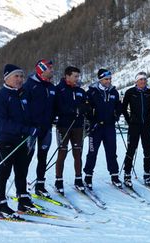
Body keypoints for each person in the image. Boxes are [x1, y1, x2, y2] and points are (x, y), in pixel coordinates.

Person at [0, 64, 40, 218]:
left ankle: (23, 201)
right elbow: (1, 123)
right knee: (4, 173)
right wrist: (26, 129)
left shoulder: (23, 95)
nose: (20, 79)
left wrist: (34, 126)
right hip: (6, 140)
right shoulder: (0, 97)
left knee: (22, 172)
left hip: (23, 141)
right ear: (7, 78)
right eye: (16, 76)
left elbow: (28, 116)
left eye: (21, 76)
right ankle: (1, 205)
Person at [83, 69, 122, 189]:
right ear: (100, 79)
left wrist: (116, 115)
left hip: (109, 127)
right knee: (92, 152)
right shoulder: (92, 92)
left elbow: (118, 106)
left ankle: (114, 175)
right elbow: (86, 108)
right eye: (106, 79)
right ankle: (88, 176)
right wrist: (92, 119)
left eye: (110, 79)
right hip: (96, 127)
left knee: (111, 152)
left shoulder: (114, 92)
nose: (108, 81)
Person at [23, 59, 55, 197]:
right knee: (26, 158)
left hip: (46, 128)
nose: (52, 70)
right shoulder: (29, 85)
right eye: (50, 68)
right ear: (41, 70)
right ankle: (21, 186)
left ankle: (40, 185)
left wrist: (56, 116)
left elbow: (55, 106)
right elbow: (23, 107)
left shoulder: (51, 87)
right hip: (31, 129)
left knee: (43, 157)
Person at [54, 66, 88, 195]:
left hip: (78, 126)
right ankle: (59, 181)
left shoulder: (80, 91)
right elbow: (57, 107)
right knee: (62, 153)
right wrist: (73, 110)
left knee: (77, 153)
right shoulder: (59, 89)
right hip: (64, 126)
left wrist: (83, 109)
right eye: (75, 76)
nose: (77, 79)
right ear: (67, 76)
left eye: (78, 76)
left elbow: (86, 104)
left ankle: (78, 179)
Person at [121, 72, 150, 187]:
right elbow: (123, 108)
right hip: (134, 126)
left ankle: (147, 174)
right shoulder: (130, 92)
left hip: (146, 126)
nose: (143, 82)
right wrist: (129, 119)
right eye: (141, 80)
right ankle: (127, 174)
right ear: (136, 81)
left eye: (145, 80)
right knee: (131, 149)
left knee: (148, 150)